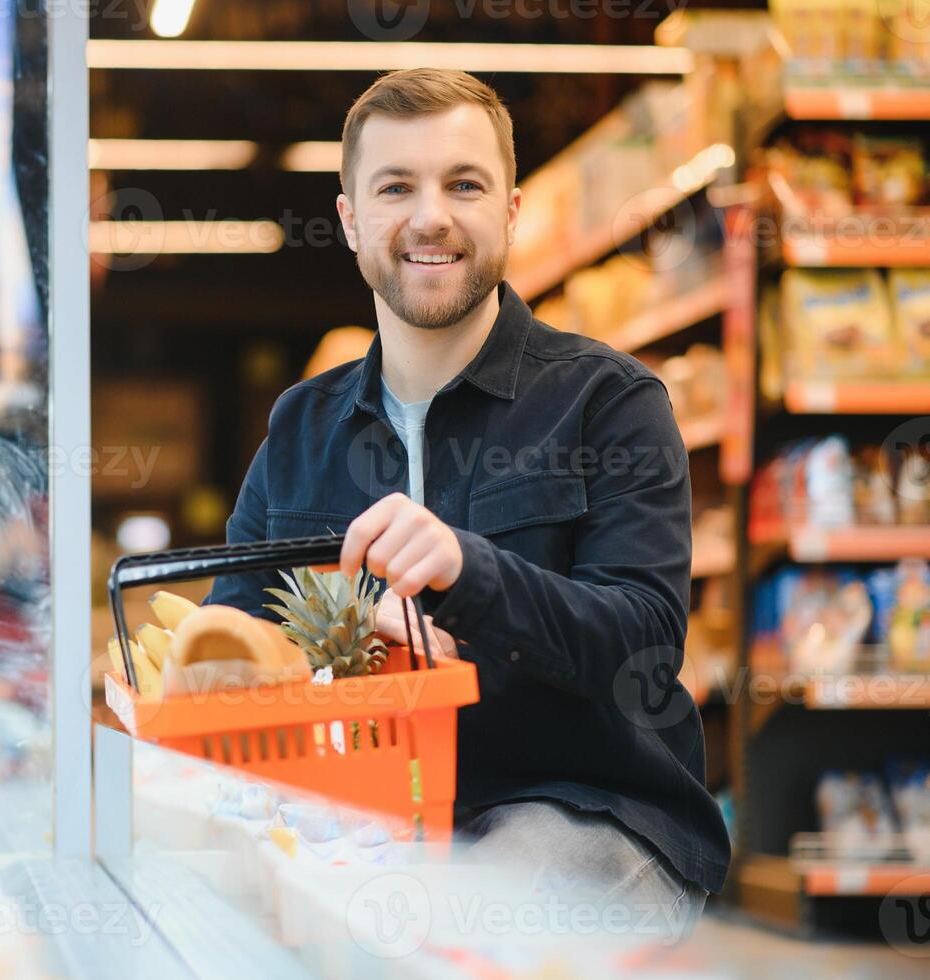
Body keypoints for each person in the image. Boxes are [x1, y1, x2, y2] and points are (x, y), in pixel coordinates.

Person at [207, 68, 729, 933]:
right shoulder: (300, 428)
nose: (430, 217)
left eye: (463, 184)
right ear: (350, 221)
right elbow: (235, 646)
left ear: (510, 213)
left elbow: (643, 645)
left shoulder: (608, 402)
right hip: (362, 817)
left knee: (472, 922)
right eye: (395, 188)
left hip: (581, 810)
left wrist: (470, 573)